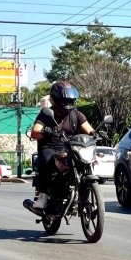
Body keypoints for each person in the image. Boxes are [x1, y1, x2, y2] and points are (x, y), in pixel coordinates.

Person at [29, 81, 94, 210]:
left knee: (84, 162)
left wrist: (95, 134)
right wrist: (45, 131)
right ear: (56, 100)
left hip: (71, 148)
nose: (67, 104)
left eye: (70, 101)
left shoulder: (76, 114)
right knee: (48, 162)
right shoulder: (46, 114)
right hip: (50, 147)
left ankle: (82, 193)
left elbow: (89, 130)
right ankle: (44, 194)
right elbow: (35, 132)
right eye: (65, 100)